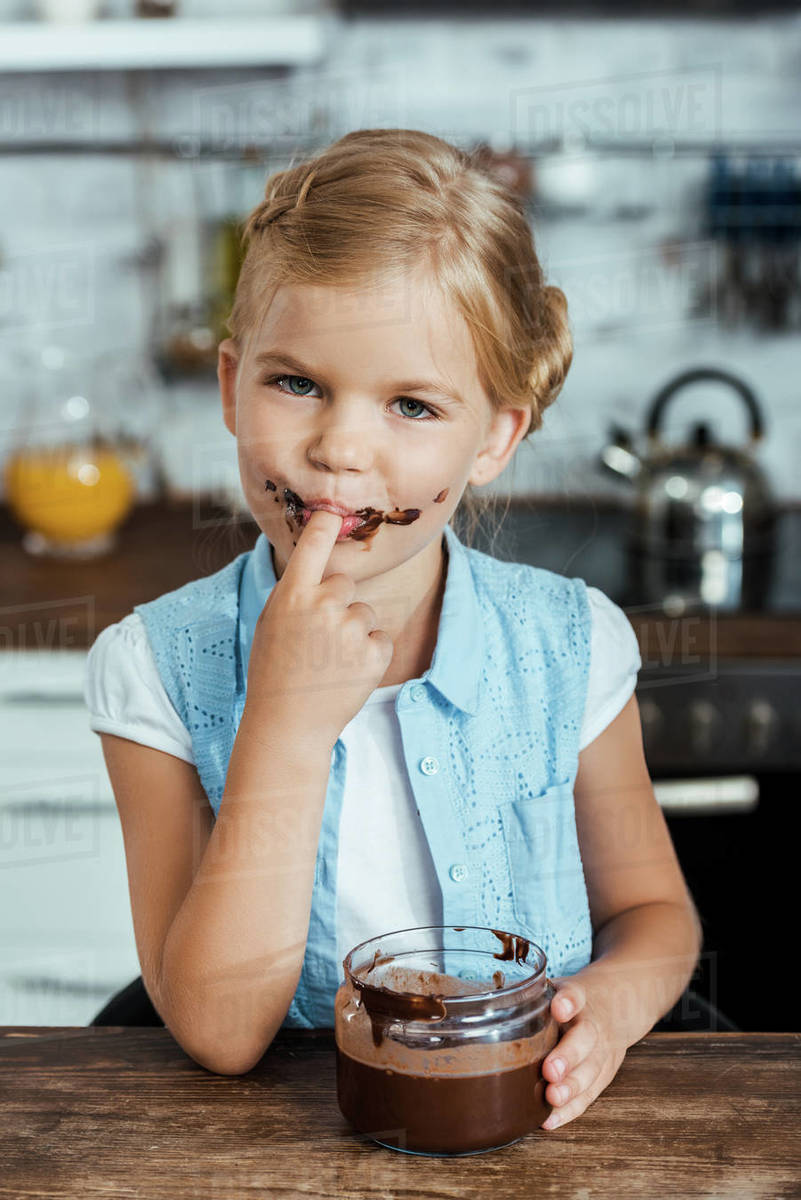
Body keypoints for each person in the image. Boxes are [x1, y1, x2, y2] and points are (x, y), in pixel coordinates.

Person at [83, 128, 702, 1129]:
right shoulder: (151, 669)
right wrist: (284, 722)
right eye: (297, 384)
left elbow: (656, 916)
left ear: (494, 437)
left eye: (412, 405)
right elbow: (221, 1030)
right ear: (230, 386)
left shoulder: (570, 645)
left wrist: (615, 1006)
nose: (339, 449)